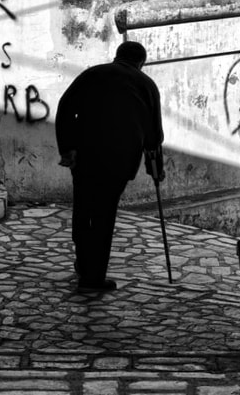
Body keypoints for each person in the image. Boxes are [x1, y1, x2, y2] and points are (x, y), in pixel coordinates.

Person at [56, 41, 164, 293]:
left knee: (84, 209)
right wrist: (155, 169)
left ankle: (84, 266)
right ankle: (93, 278)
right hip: (119, 161)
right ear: (141, 63)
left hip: (86, 154)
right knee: (104, 215)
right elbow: (154, 136)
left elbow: (65, 107)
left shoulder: (92, 74)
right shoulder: (147, 85)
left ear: (117, 56)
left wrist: (67, 147)